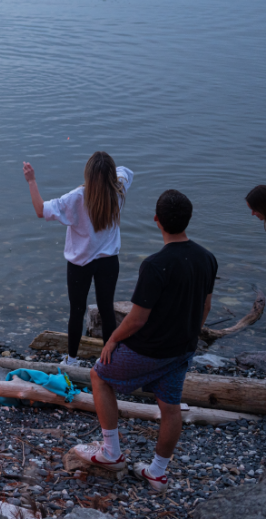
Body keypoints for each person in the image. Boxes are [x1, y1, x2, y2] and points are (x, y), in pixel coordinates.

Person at [73, 190, 216, 494]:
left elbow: (137, 319)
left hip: (151, 349)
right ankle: (157, 473)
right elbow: (205, 307)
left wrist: (111, 339)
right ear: (188, 219)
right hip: (182, 350)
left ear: (156, 220)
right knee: (170, 407)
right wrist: (190, 336)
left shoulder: (155, 265)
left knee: (99, 375)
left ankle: (110, 453)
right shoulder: (207, 258)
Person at [23, 152, 133, 366]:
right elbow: (127, 171)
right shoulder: (119, 190)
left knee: (77, 310)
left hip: (79, 263)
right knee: (106, 309)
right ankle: (110, 359)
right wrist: (110, 174)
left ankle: (72, 360)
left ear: (87, 174)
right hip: (109, 261)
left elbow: (40, 210)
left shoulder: (76, 197)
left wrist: (31, 180)